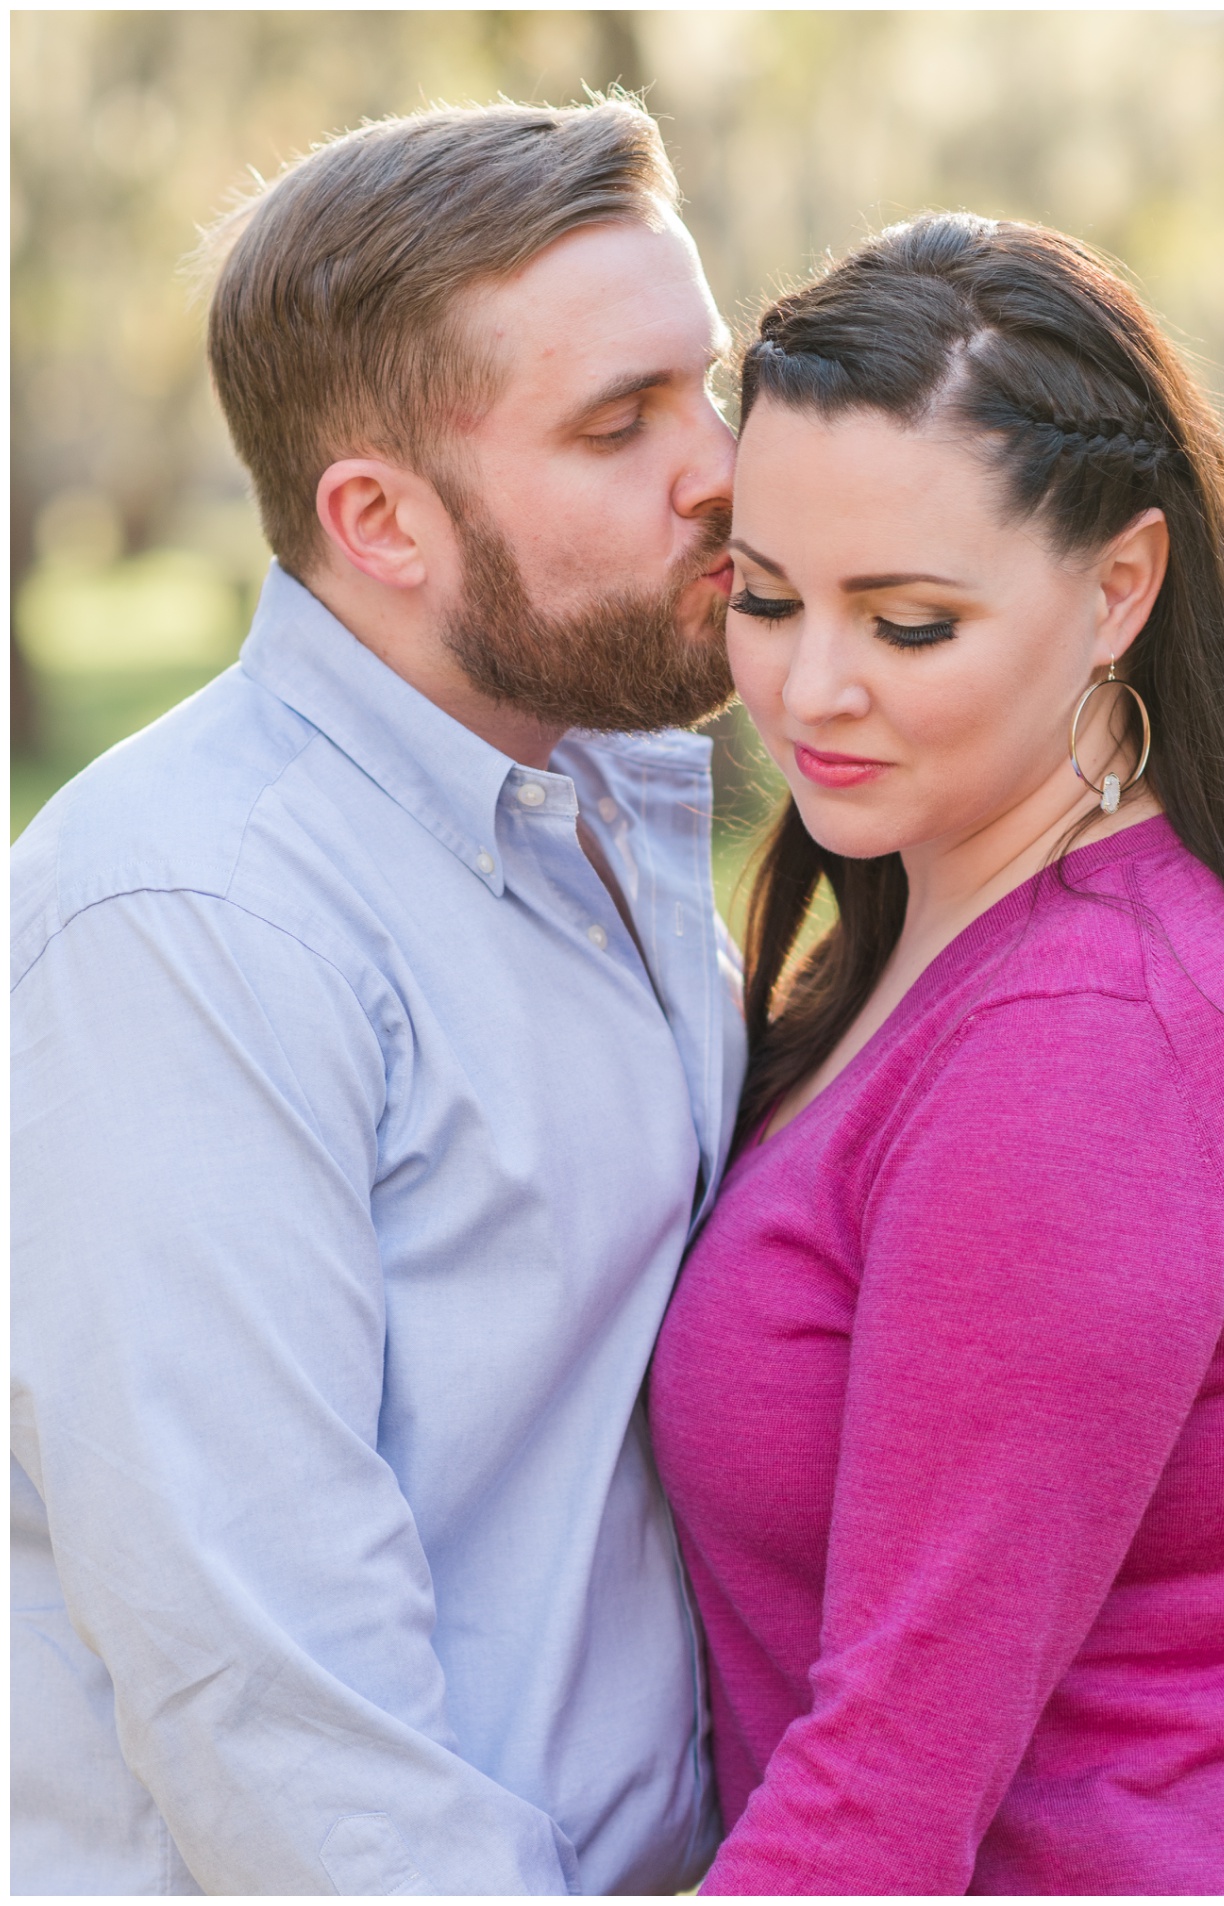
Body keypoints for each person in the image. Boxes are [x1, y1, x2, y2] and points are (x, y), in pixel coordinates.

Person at [12, 99, 746, 1896]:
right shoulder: (193, 919)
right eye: (618, 422)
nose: (719, 466)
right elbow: (274, 1698)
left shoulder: (624, 798)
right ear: (380, 521)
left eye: (705, 384)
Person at [650, 213, 1224, 1896]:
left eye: (909, 622)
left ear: (1119, 585)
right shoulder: (939, 915)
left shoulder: (1083, 1058)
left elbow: (882, 1804)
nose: (811, 687)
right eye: (765, 598)